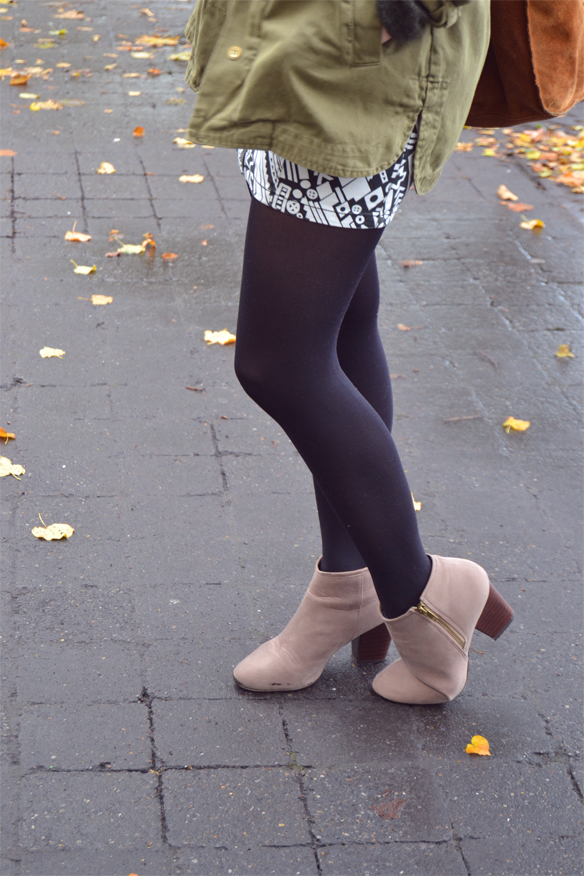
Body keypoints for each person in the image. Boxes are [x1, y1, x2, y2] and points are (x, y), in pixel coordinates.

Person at [184, 0, 514, 704]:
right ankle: (348, 584)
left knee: (278, 362)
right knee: (340, 326)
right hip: (295, 47)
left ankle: (423, 590)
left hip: (354, 58)